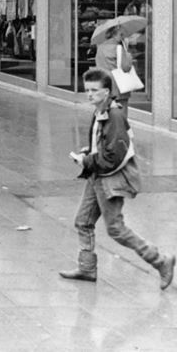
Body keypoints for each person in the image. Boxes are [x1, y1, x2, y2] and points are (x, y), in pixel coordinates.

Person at [60, 68, 174, 289]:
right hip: (98, 175)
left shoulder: (114, 115)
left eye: (94, 90)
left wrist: (87, 161)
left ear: (106, 92)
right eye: (87, 90)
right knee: (83, 221)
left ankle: (161, 261)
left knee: (116, 228)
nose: (89, 94)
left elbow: (114, 155)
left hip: (108, 178)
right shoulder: (100, 111)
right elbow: (104, 145)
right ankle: (86, 268)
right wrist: (88, 152)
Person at [95, 25, 134, 112]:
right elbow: (126, 67)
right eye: (121, 34)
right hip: (118, 86)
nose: (123, 37)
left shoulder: (100, 47)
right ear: (115, 35)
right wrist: (127, 52)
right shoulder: (118, 48)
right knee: (120, 115)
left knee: (105, 113)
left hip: (103, 84)